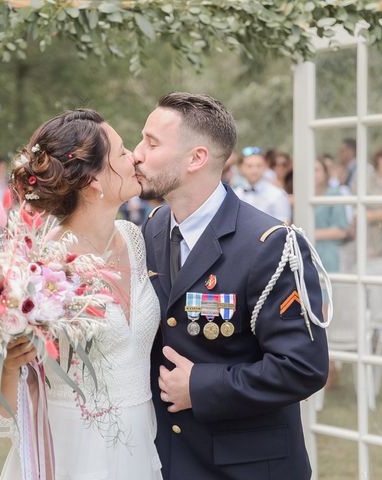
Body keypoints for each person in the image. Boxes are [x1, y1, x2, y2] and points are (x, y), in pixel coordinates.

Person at [135, 92, 328, 480]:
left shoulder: (270, 244)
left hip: (246, 467)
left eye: (151, 142)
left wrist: (201, 385)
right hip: (170, 459)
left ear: (196, 158)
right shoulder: (154, 228)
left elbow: (303, 367)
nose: (136, 153)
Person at [0, 110, 162, 480]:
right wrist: (7, 362)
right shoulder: (42, 268)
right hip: (72, 450)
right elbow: (2, 405)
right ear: (93, 181)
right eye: (120, 152)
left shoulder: (134, 240)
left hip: (140, 442)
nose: (134, 155)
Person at [234, 148, 291, 222]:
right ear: (241, 168)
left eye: (259, 166)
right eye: (249, 166)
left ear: (265, 167)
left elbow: (284, 223)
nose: (254, 170)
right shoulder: (236, 194)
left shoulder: (277, 194)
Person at [314, 157, 349, 273]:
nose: (312, 174)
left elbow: (341, 231)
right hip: (302, 253)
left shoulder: (334, 194)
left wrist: (307, 234)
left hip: (326, 255)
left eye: (316, 170)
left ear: (325, 173)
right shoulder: (298, 196)